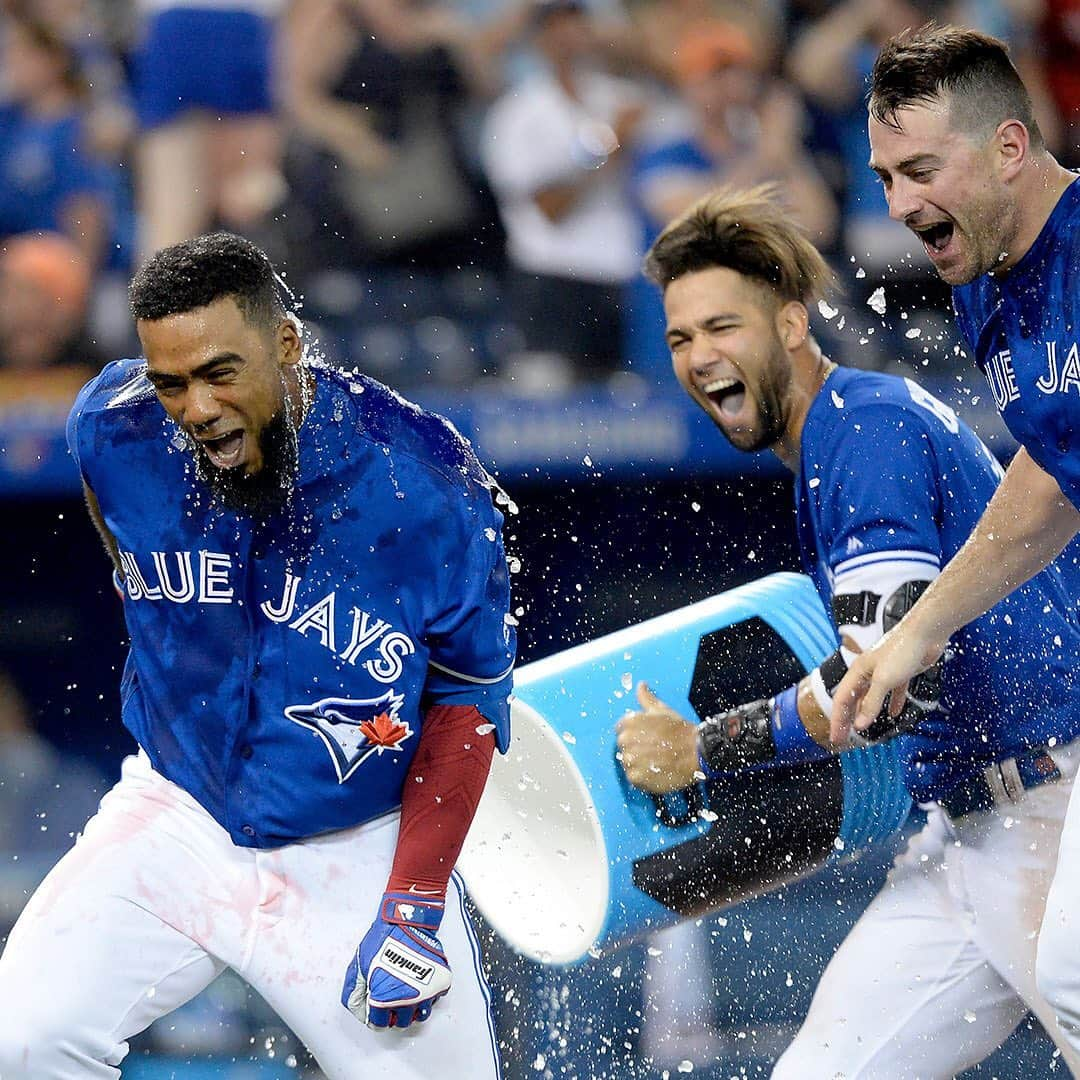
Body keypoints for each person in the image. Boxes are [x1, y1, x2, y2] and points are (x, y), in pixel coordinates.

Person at [0, 232, 516, 1077]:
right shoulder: (113, 430)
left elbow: (466, 702)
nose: (195, 406)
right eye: (170, 381)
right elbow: (116, 528)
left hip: (355, 841)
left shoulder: (422, 481)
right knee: (23, 1040)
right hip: (180, 815)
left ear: (285, 346)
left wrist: (415, 902)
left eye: (219, 372)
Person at [615, 185, 1080, 1075]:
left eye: (724, 326)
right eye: (680, 338)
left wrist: (700, 748)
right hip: (970, 831)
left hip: (1052, 803)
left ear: (792, 323)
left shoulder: (859, 430)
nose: (699, 356)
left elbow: (884, 693)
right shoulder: (844, 430)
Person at [829, 25, 1080, 770]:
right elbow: (1054, 472)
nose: (901, 204)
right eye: (885, 177)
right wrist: (920, 630)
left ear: (1008, 149)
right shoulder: (982, 283)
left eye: (921, 169)